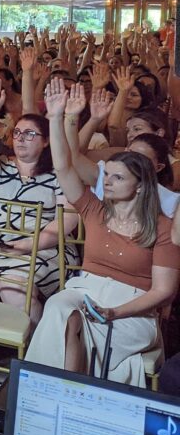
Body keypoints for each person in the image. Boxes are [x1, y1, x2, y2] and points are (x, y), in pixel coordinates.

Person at [27, 79, 179, 386]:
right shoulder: (95, 210)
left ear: (140, 185)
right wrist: (57, 118)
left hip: (132, 309)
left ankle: (54, 393)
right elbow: (63, 167)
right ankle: (65, 391)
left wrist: (114, 312)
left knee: (68, 320)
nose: (106, 182)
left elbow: (163, 292)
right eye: (106, 175)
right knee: (61, 309)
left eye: (117, 177)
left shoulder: (163, 226)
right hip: (85, 293)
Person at [0, 77, 77, 374]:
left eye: (30, 134)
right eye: (18, 133)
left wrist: (29, 244)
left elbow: (68, 219)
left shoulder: (58, 174)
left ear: (46, 141)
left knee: (14, 288)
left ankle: (34, 355)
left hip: (42, 245)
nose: (20, 139)